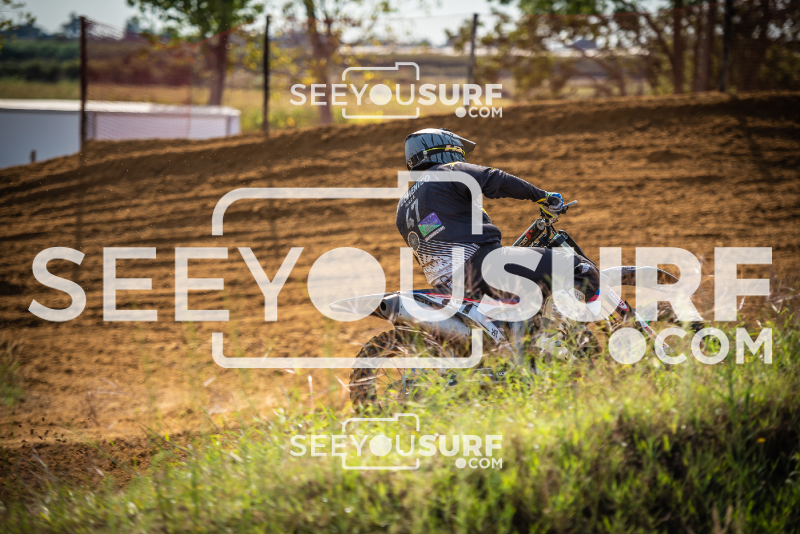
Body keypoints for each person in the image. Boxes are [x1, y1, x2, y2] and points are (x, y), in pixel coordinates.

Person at [396, 127, 602, 321]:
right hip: (483, 266)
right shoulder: (446, 171)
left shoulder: (403, 207)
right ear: (446, 150)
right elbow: (494, 179)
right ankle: (556, 330)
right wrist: (543, 197)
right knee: (582, 270)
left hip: (446, 287)